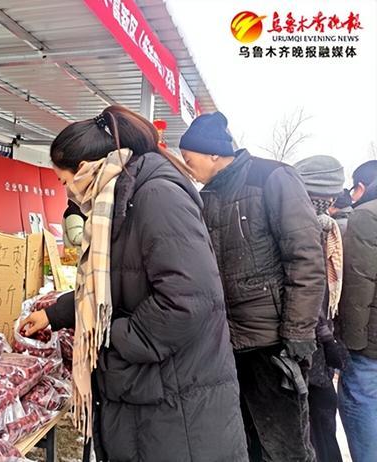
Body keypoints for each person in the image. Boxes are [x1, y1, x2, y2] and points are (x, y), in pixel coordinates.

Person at [21, 106, 247, 461]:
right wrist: (57, 314)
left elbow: (187, 300)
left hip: (173, 403)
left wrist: (111, 343)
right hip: (150, 393)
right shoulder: (120, 196)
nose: (67, 192)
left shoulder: (156, 195)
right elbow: (115, 281)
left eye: (64, 181)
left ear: (84, 169)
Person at [180, 112, 325, 462]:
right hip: (228, 344)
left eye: (189, 158)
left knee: (285, 446)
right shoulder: (208, 195)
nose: (187, 165)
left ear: (213, 153)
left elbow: (305, 258)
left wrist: (298, 332)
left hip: (272, 343)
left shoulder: (272, 177)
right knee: (244, 443)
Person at [294, 155, 347, 462]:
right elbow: (309, 287)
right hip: (306, 341)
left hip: (313, 338)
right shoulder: (306, 226)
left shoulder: (322, 225)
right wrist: (327, 339)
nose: (328, 201)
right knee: (316, 422)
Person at [337, 160, 377, 462]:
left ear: (360, 187)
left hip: (369, 343)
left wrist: (351, 345)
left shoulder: (366, 216)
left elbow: (358, 287)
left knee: (362, 402)